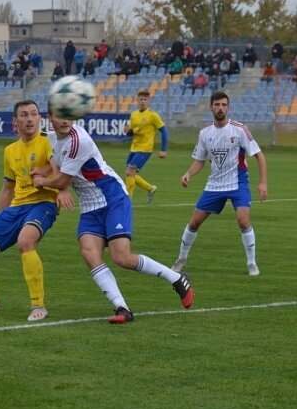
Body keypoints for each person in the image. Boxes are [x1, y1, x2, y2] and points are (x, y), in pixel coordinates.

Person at [31, 113, 194, 325]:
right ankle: (122, 308)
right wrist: (41, 171)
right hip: (90, 207)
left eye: (69, 115)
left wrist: (42, 181)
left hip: (112, 198)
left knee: (122, 257)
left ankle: (176, 278)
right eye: (60, 115)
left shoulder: (79, 140)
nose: (65, 120)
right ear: (50, 117)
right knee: (89, 253)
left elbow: (62, 179)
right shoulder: (52, 138)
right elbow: (58, 164)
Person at [0, 100, 66, 322]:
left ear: (40, 118)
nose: (30, 119)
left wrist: (61, 189)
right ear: (15, 122)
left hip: (43, 204)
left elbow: (59, 170)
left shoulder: (49, 141)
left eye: (34, 114)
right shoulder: (10, 151)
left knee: (26, 241)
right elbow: (8, 187)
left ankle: (38, 305)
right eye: (24, 115)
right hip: (17, 207)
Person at [172, 91, 268, 277]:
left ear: (228, 107)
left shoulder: (239, 129)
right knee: (194, 223)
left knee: (243, 221)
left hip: (238, 183)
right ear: (211, 107)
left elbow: (259, 155)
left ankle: (251, 263)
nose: (220, 108)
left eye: (224, 105)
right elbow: (200, 160)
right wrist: (188, 173)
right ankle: (181, 260)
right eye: (217, 104)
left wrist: (263, 182)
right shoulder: (205, 133)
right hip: (214, 185)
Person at [122, 89, 168, 204]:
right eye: (141, 99)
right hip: (134, 148)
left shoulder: (153, 115)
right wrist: (127, 131)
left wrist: (163, 150)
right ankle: (150, 188)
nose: (143, 101)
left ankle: (128, 202)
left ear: (149, 101)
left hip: (145, 149)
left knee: (129, 173)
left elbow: (164, 131)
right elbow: (132, 132)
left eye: (145, 99)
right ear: (137, 100)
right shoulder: (134, 115)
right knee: (129, 173)